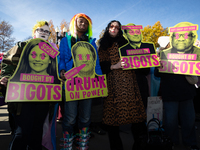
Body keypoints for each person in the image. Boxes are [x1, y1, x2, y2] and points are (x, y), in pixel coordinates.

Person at [0, 20, 59, 150]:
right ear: (34, 32)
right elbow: (8, 62)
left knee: (37, 132)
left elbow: (54, 72)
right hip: (22, 99)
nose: (43, 33)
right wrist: (6, 77)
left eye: (46, 31)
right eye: (40, 30)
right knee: (22, 132)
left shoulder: (51, 51)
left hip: (43, 97)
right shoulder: (22, 45)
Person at [98, 20, 147, 150]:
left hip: (131, 86)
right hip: (112, 86)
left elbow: (142, 66)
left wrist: (149, 60)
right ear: (108, 28)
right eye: (112, 26)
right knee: (112, 121)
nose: (114, 29)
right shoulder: (103, 45)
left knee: (137, 120)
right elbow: (101, 67)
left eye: (117, 28)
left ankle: (139, 146)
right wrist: (115, 66)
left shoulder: (127, 44)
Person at [58, 13, 102, 150]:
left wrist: (100, 79)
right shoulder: (66, 40)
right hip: (71, 82)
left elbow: (96, 63)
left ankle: (82, 143)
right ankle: (67, 143)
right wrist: (62, 71)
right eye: (80, 21)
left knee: (86, 117)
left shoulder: (91, 42)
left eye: (86, 22)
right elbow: (62, 59)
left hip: (88, 84)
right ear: (74, 23)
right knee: (70, 117)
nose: (83, 24)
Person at [154, 36, 199, 150]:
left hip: (186, 92)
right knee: (171, 122)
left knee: (189, 120)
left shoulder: (185, 53)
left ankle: (190, 142)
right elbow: (157, 74)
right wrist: (159, 66)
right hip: (170, 93)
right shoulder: (160, 56)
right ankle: (172, 142)